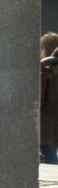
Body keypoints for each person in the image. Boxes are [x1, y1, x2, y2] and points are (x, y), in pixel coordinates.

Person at [41, 33, 57, 166]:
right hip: (53, 123)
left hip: (45, 125)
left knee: (50, 159)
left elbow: (39, 101)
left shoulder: (46, 70)